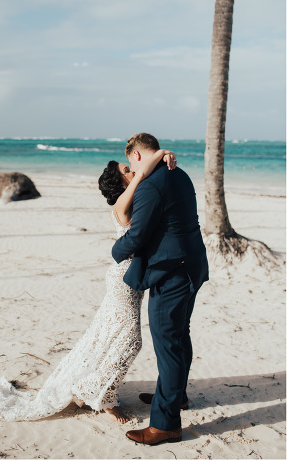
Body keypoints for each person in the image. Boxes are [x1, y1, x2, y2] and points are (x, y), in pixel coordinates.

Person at [0, 145, 177, 424]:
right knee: (131, 340)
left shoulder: (136, 199)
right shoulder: (121, 204)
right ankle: (101, 396)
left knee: (106, 336)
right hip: (123, 279)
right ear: (122, 181)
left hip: (129, 278)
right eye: (127, 170)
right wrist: (161, 153)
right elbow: (144, 173)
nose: (132, 170)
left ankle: (95, 386)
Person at [111, 133, 208, 445]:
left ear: (137, 156)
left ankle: (165, 425)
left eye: (131, 164)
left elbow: (137, 236)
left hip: (173, 272)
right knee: (179, 335)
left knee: (168, 343)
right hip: (191, 264)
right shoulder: (178, 173)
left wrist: (115, 251)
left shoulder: (150, 185)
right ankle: (175, 396)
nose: (134, 170)